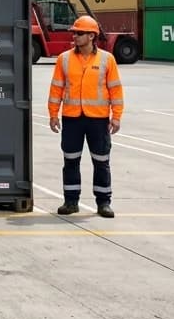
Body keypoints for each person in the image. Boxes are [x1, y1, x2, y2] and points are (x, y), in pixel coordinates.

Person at [47, 15, 124, 218]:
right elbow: (56, 89)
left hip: (98, 120)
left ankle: (104, 203)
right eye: (74, 33)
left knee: (101, 161)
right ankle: (71, 202)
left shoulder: (107, 60)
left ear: (92, 36)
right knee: (70, 161)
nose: (75, 37)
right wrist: (53, 115)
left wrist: (116, 117)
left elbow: (115, 90)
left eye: (79, 33)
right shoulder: (64, 59)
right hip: (72, 119)